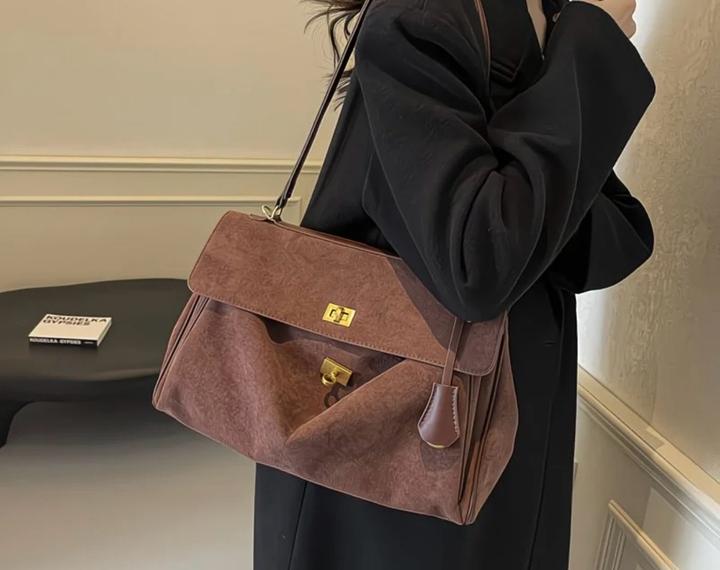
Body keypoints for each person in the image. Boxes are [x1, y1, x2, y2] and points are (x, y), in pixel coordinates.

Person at [253, 0, 656, 568]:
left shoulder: (539, 19)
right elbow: (479, 262)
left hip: (487, 436)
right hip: (388, 449)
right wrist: (593, 39)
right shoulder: (429, 12)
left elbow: (616, 236)